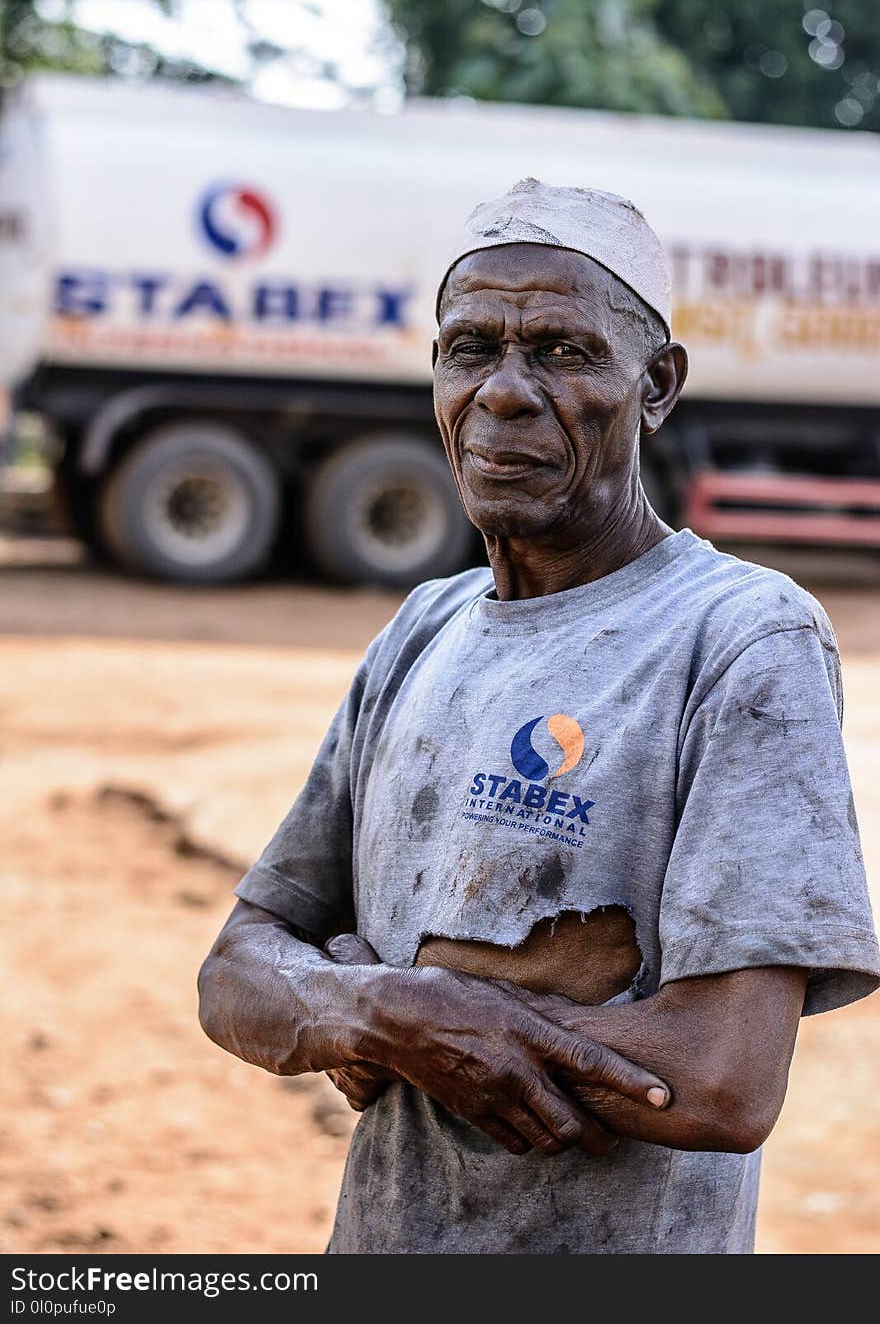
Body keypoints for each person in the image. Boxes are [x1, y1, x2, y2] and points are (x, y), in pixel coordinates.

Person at [198, 179, 880, 1254]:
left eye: (561, 352)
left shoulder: (741, 638)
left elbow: (718, 1076)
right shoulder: (422, 629)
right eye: (468, 350)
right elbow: (235, 968)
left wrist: (377, 1002)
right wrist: (383, 1009)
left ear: (655, 387)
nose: (503, 393)